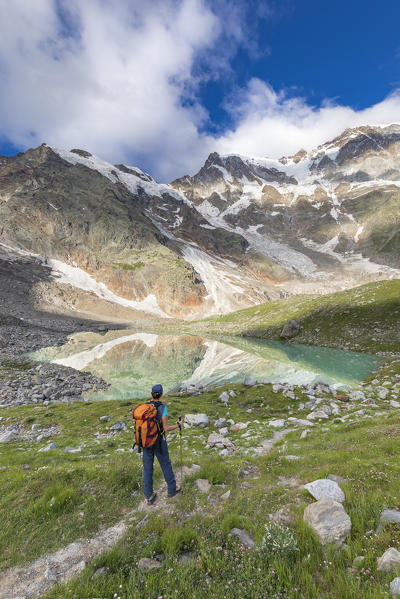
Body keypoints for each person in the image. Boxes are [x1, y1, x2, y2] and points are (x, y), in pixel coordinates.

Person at [142, 384, 181, 505]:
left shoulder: (145, 407)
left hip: (146, 442)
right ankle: (171, 490)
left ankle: (149, 496)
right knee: (165, 464)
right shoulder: (162, 408)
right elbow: (166, 428)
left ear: (151, 394)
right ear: (161, 394)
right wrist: (178, 425)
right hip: (158, 441)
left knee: (147, 468)